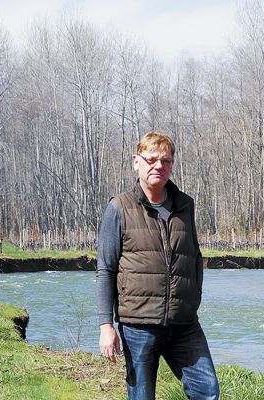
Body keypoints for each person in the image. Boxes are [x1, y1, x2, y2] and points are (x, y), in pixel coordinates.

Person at [96, 131, 220, 399]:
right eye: (151, 159)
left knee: (207, 391)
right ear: (136, 161)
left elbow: (195, 257)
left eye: (165, 161)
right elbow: (106, 269)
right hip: (138, 325)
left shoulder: (185, 205)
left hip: (184, 324)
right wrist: (106, 325)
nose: (158, 166)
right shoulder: (119, 207)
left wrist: (192, 299)